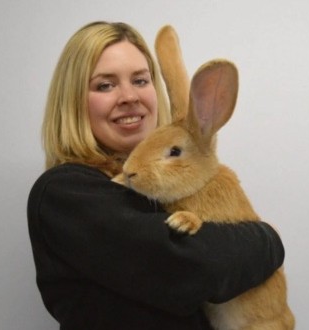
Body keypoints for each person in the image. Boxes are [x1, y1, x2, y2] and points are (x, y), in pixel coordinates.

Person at [27, 21, 285, 329]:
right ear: (73, 101)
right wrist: (268, 238)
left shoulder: (161, 189)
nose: (129, 97)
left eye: (140, 80)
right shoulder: (64, 193)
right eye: (105, 85)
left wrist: (258, 241)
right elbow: (196, 268)